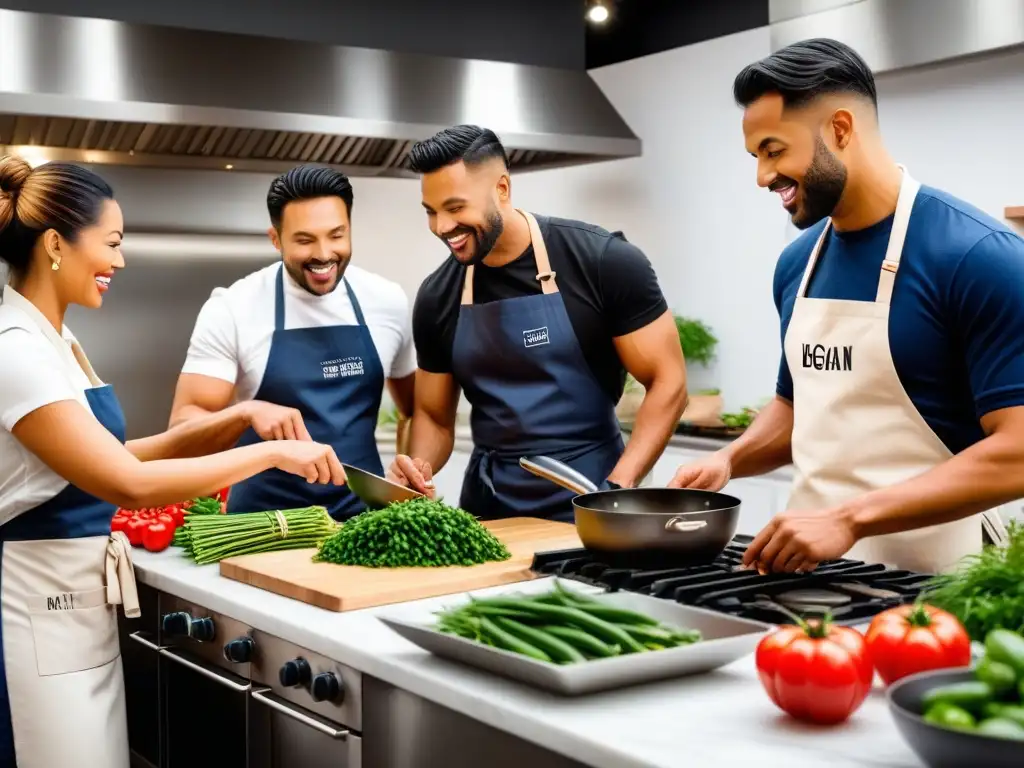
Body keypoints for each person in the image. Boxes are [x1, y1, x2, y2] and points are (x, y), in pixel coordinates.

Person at [0, 157, 344, 767]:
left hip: (69, 607)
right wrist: (268, 453)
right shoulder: (16, 350)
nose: (120, 261)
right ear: (56, 244)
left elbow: (112, 456)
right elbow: (129, 483)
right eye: (111, 243)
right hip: (33, 610)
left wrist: (239, 417)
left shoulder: (56, 339)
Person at [669, 38, 1024, 575]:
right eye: (756, 157)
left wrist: (850, 519)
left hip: (942, 585)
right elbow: (797, 410)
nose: (762, 177)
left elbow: (1017, 452)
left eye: (774, 150)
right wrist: (730, 459)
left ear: (839, 129)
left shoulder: (977, 257)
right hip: (807, 581)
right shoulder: (796, 266)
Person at [386, 125, 687, 521]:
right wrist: (417, 466)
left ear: (502, 190)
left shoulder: (602, 261)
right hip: (490, 510)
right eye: (431, 211)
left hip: (593, 496)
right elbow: (434, 417)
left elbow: (669, 382)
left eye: (456, 208)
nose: (442, 226)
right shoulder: (438, 295)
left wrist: (617, 489)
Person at [169, 164, 416, 520]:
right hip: (263, 526)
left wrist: (405, 471)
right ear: (276, 239)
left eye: (336, 235)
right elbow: (182, 426)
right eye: (304, 240)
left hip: (366, 522)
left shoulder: (387, 301)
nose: (324, 254)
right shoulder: (234, 307)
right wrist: (245, 413)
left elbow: (415, 410)